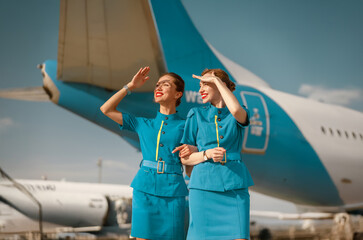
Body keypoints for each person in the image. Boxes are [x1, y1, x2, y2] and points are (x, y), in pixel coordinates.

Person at [100, 67, 194, 240]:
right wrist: (130, 86)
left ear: (178, 94)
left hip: (174, 192)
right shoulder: (142, 123)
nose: (158, 88)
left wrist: (194, 151)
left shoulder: (187, 125)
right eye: (157, 85)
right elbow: (106, 109)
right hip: (144, 189)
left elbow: (190, 167)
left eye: (165, 85)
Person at [173, 68, 254, 240]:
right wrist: (207, 153)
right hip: (203, 187)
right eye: (199, 85)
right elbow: (185, 157)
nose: (200, 90)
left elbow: (236, 111)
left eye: (205, 84)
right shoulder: (195, 114)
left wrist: (216, 80)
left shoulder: (239, 112)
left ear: (221, 85)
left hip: (235, 187)